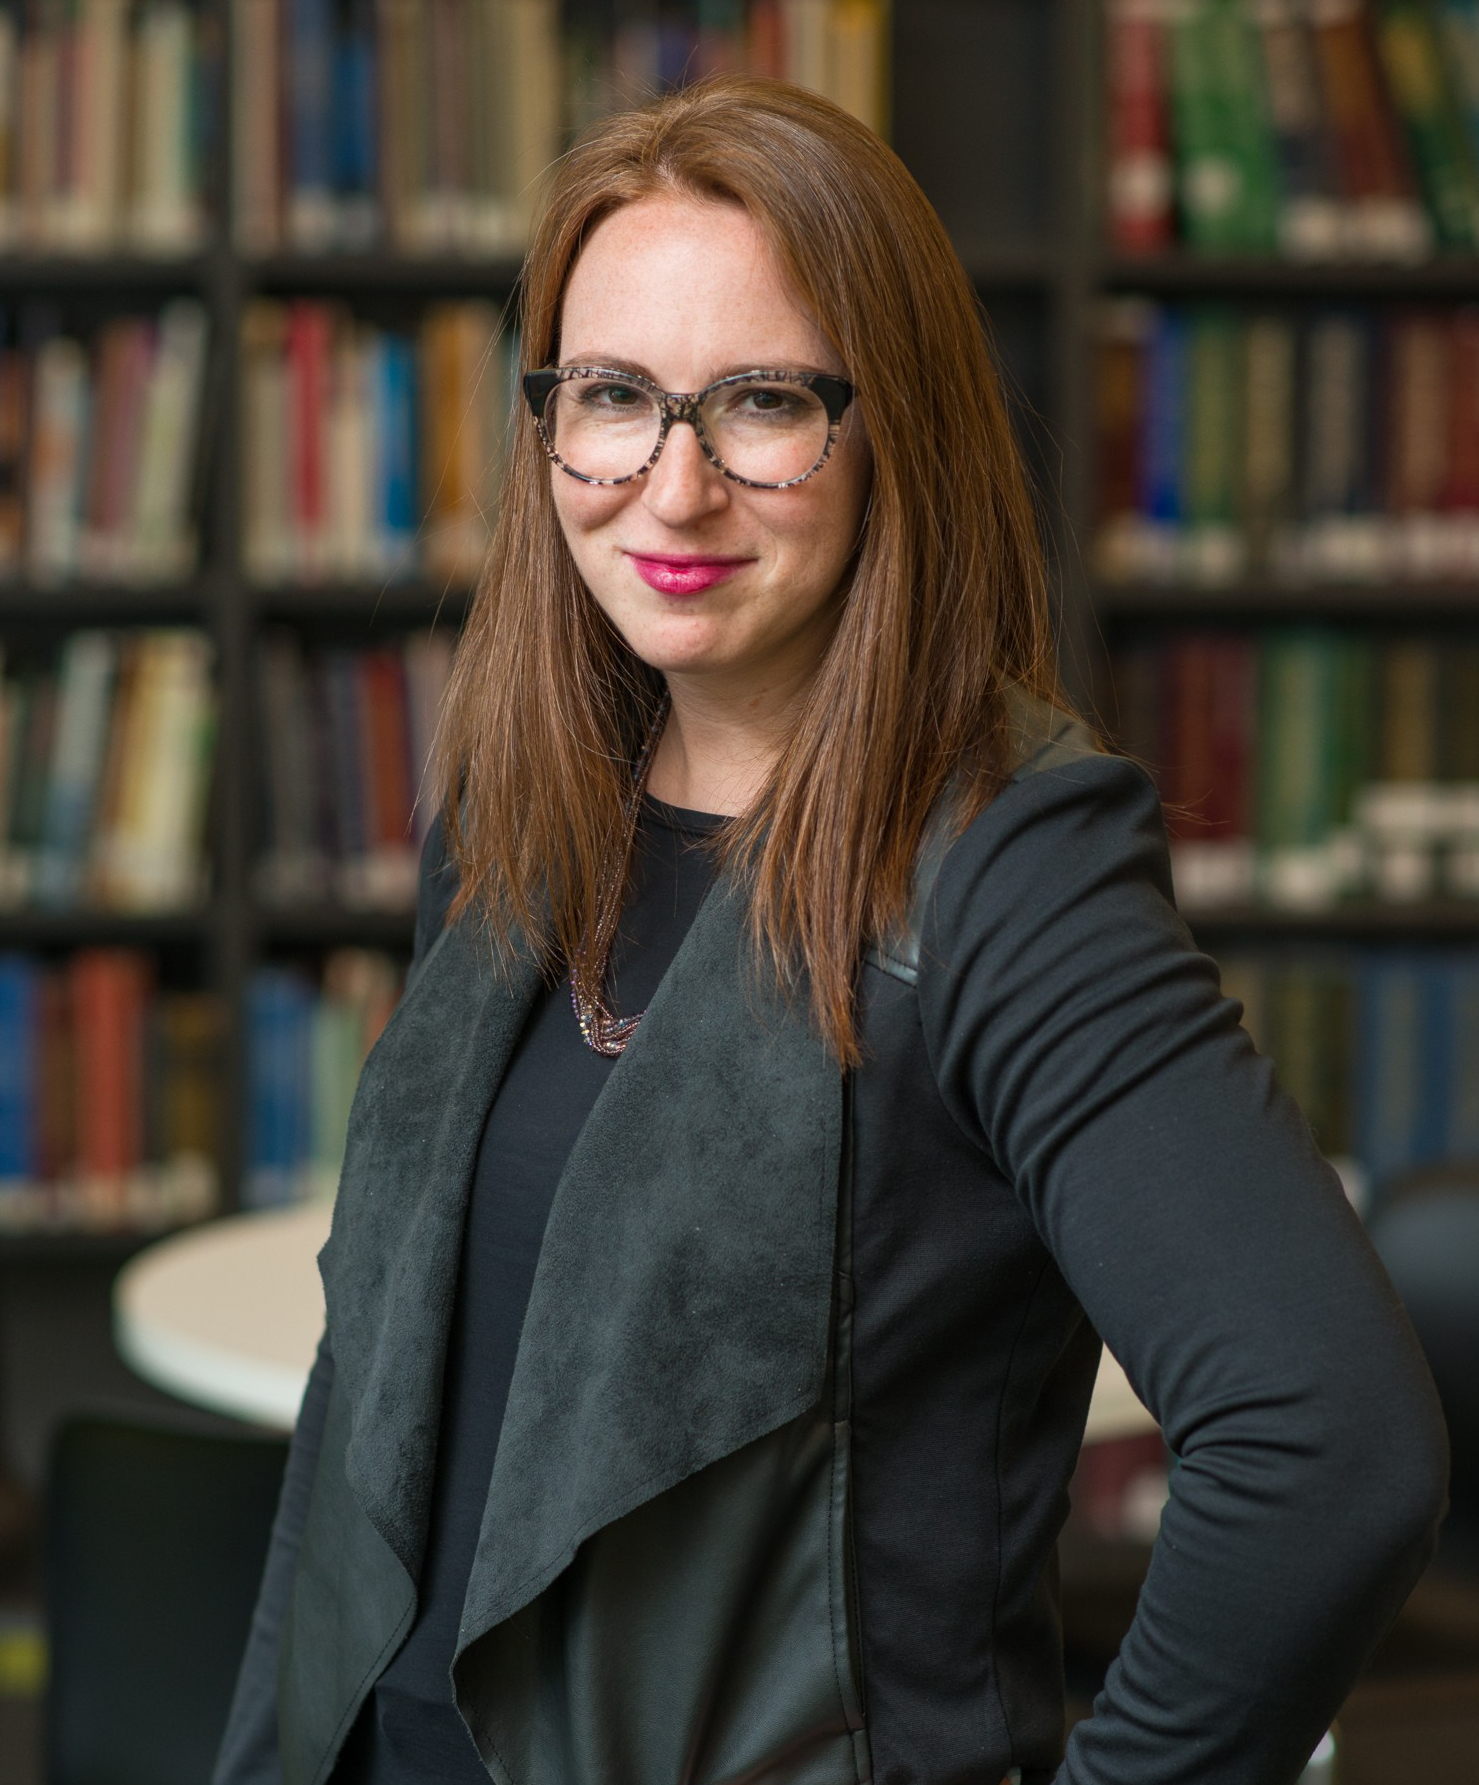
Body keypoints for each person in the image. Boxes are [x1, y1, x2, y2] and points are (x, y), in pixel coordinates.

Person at [214, 75, 1449, 1785]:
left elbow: (1331, 1443)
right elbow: (362, 1417)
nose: (674, 485)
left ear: (895, 433)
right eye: (614, 397)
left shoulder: (1010, 864)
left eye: (765, 403)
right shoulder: (517, 806)